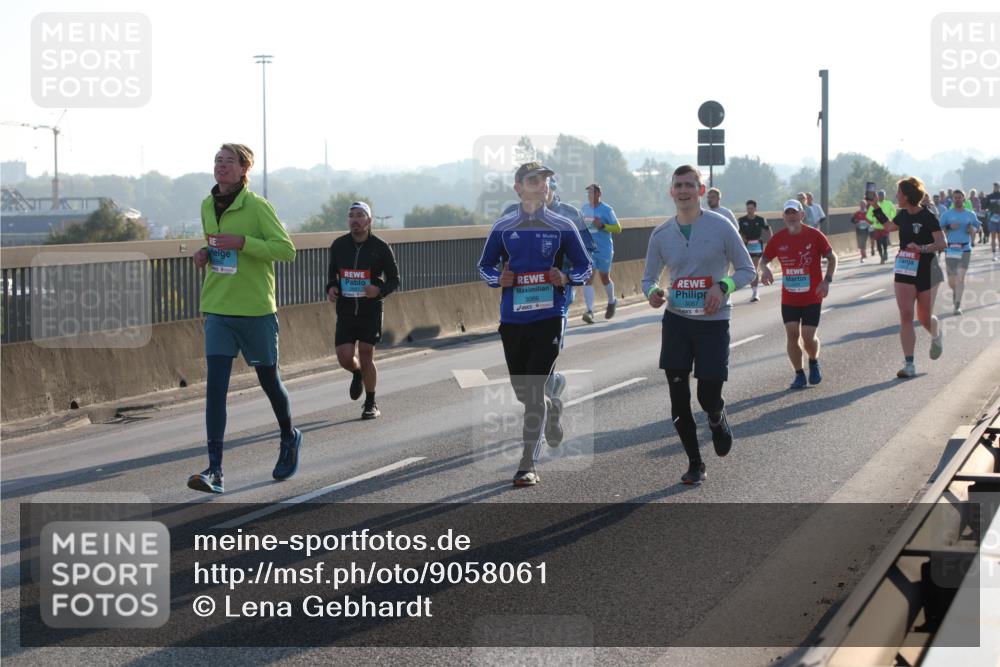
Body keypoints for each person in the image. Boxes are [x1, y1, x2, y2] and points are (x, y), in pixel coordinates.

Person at [187, 143, 300, 495]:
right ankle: (215, 470)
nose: (221, 166)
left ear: (244, 169)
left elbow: (286, 250)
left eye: (229, 161)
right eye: (217, 160)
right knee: (215, 389)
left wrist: (244, 242)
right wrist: (205, 252)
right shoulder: (208, 205)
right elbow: (216, 244)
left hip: (255, 310)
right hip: (218, 307)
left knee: (269, 381)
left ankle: (288, 435)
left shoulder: (257, 207)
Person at [478, 162, 592, 487]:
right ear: (518, 187)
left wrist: (567, 276)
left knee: (531, 391)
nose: (541, 185)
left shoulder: (562, 225)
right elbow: (484, 266)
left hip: (549, 316)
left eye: (545, 180)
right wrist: (498, 278)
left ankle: (527, 463)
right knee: (523, 390)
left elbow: (585, 266)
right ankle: (553, 403)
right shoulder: (503, 226)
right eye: (533, 180)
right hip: (513, 319)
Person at [641, 165, 755, 485]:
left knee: (707, 394)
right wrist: (652, 293)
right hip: (677, 322)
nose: (683, 191)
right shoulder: (662, 234)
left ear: (701, 191)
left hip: (713, 323)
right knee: (679, 399)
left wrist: (723, 287)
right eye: (678, 185)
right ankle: (695, 463)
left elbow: (746, 270)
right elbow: (648, 278)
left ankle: (717, 418)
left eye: (690, 185)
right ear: (671, 192)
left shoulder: (721, 227)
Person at [503, 176, 595, 398]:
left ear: (551, 189)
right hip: (521, 292)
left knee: (547, 347)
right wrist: (502, 274)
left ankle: (546, 395)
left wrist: (565, 276)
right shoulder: (510, 214)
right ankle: (551, 388)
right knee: (527, 356)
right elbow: (499, 252)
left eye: (545, 188)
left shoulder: (570, 215)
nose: (540, 193)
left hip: (557, 291)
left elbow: (587, 254)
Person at [326, 201, 400, 420]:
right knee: (345, 357)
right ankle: (356, 373)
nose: (355, 220)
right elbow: (332, 275)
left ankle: (370, 402)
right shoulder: (339, 245)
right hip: (347, 310)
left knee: (366, 353)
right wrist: (331, 288)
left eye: (360, 216)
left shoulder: (380, 247)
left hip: (370, 310)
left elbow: (395, 280)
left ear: (369, 221)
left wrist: (378, 290)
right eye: (351, 216)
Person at [758, 200, 837, 388]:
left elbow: (831, 257)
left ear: (802, 215)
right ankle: (799, 373)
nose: (791, 216)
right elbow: (764, 259)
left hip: (812, 296)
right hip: (790, 297)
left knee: (808, 337)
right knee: (792, 335)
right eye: (788, 213)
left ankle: (813, 360)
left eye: (795, 213)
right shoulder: (778, 238)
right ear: (783, 216)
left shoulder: (815, 235)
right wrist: (765, 269)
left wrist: (827, 281)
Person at [882, 176, 946, 378]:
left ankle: (935, 334)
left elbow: (941, 243)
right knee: (906, 315)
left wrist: (922, 248)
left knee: (924, 317)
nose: (896, 196)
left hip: (927, 269)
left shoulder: (928, 216)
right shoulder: (901, 215)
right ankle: (909, 364)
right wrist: (875, 207)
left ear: (907, 195)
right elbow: (889, 228)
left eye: (899, 193)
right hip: (905, 268)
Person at [580, 184, 621, 322]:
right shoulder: (584, 209)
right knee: (588, 278)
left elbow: (617, 228)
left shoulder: (607, 210)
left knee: (604, 277)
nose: (589, 195)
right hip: (589, 250)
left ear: (598, 194)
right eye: (588, 193)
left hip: (604, 249)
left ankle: (611, 301)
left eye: (592, 193)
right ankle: (589, 312)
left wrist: (603, 226)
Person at [940, 189, 980, 315]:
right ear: (952, 199)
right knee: (952, 281)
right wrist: (948, 227)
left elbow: (978, 227)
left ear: (964, 199)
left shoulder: (970, 214)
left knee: (960, 279)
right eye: (955, 198)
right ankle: (955, 294)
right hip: (951, 249)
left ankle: (957, 305)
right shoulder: (946, 215)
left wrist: (971, 229)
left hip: (965, 249)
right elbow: (938, 230)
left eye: (959, 197)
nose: (957, 200)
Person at [737, 199, 771, 301]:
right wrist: (742, 238)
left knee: (753, 267)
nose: (749, 210)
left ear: (755, 209)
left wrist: (771, 240)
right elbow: (736, 232)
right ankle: (764, 273)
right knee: (748, 268)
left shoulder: (760, 219)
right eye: (748, 208)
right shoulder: (741, 220)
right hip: (745, 245)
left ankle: (755, 292)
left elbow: (768, 228)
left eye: (751, 208)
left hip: (756, 245)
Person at [868, 190, 897, 264]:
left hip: (885, 226)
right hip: (877, 227)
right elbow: (868, 215)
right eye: (880, 195)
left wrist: (891, 218)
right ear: (878, 196)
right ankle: (881, 257)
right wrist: (874, 220)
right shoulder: (874, 204)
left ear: (885, 196)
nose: (881, 197)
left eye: (882, 195)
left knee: (884, 241)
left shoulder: (889, 203)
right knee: (878, 243)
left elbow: (894, 211)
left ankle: (885, 252)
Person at [985, 182, 1000, 261]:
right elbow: (985, 206)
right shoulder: (990, 196)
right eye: (994, 187)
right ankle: (994, 254)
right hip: (992, 218)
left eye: (997, 187)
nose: (996, 188)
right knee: (993, 237)